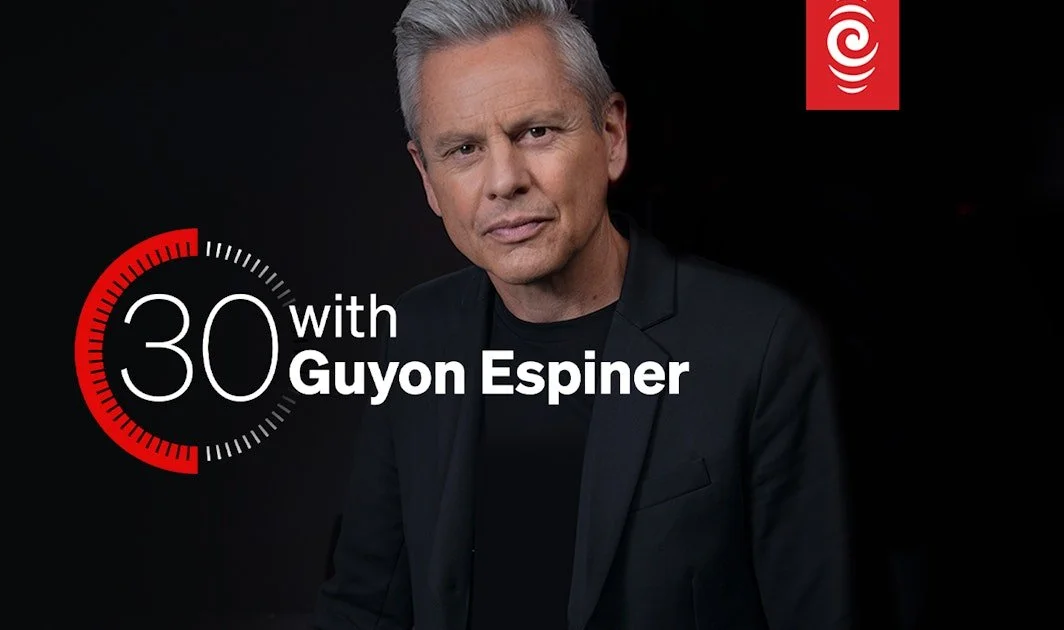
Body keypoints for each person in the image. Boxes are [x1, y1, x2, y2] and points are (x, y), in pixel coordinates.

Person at [312, 1, 853, 628]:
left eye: (536, 131)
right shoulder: (416, 336)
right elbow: (361, 605)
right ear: (428, 180)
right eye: (463, 148)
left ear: (612, 134)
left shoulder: (759, 347)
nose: (503, 181)